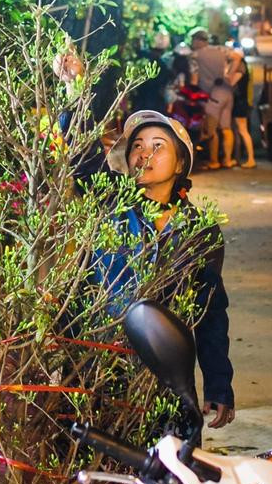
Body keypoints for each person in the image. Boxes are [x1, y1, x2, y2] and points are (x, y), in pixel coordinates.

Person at [97, 110, 236, 428]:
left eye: (158, 145)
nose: (145, 152)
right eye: (137, 146)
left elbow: (210, 311)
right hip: (103, 366)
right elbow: (79, 159)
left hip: (168, 376)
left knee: (169, 469)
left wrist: (218, 382)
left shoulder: (200, 229)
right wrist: (72, 89)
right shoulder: (109, 205)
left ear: (179, 164)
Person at [188, 27, 240, 170]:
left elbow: (193, 79)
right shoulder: (221, 50)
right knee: (226, 128)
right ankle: (228, 160)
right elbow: (238, 57)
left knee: (211, 131)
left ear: (198, 41)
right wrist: (229, 74)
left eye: (192, 40)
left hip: (212, 95)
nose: (191, 43)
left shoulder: (195, 55)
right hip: (227, 91)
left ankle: (214, 161)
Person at [227, 49, 256, 168]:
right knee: (237, 131)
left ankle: (251, 159)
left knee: (243, 131)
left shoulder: (240, 68)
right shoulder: (241, 66)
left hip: (240, 103)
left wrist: (228, 72)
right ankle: (237, 158)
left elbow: (231, 82)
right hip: (238, 102)